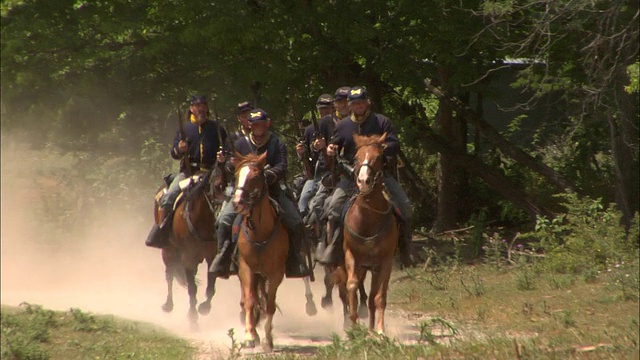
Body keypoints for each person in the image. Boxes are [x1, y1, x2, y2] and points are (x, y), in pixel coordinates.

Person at [317, 86, 418, 267]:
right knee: (333, 207)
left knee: (404, 206)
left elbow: (394, 143)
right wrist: (330, 149)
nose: (359, 106)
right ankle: (334, 246)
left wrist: (377, 149)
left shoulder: (381, 122)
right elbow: (334, 145)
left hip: (379, 175)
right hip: (350, 176)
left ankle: (406, 249)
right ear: (349, 105)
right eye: (355, 103)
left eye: (361, 102)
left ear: (368, 102)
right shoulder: (342, 126)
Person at [209, 108, 312, 279]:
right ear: (249, 125)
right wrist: (228, 165)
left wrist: (267, 175)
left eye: (261, 124)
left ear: (267, 124)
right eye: (254, 125)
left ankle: (294, 260)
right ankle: (223, 258)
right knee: (224, 220)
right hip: (244, 192)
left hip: (271, 189)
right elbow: (229, 168)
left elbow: (282, 166)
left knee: (296, 221)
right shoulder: (241, 144)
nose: (258, 128)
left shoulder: (276, 143)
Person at [145, 94, 228, 248]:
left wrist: (223, 158)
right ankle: (161, 232)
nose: (201, 109)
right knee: (169, 197)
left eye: (203, 105)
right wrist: (180, 149)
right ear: (191, 109)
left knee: (230, 197)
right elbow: (174, 154)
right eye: (197, 106)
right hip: (188, 172)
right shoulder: (184, 129)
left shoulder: (217, 129)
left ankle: (228, 240)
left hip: (212, 172)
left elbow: (227, 151)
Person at [296, 93, 334, 215]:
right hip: (317, 174)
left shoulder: (339, 125)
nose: (324, 111)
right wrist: (302, 152)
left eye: (327, 108)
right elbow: (306, 154)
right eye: (321, 109)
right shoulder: (310, 130)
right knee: (303, 202)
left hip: (336, 171)